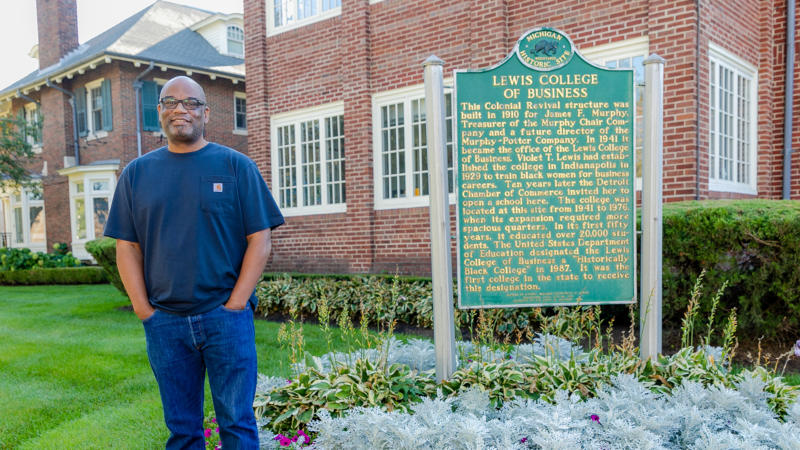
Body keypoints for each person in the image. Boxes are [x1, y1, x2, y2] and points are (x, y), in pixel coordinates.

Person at [104, 76, 284, 449]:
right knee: (182, 430)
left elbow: (260, 240)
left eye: (190, 103)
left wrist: (235, 305)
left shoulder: (236, 166)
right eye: (170, 102)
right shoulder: (136, 174)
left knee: (236, 422)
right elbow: (127, 246)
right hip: (165, 323)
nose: (180, 109)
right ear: (159, 113)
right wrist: (144, 310)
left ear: (205, 112)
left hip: (225, 319)